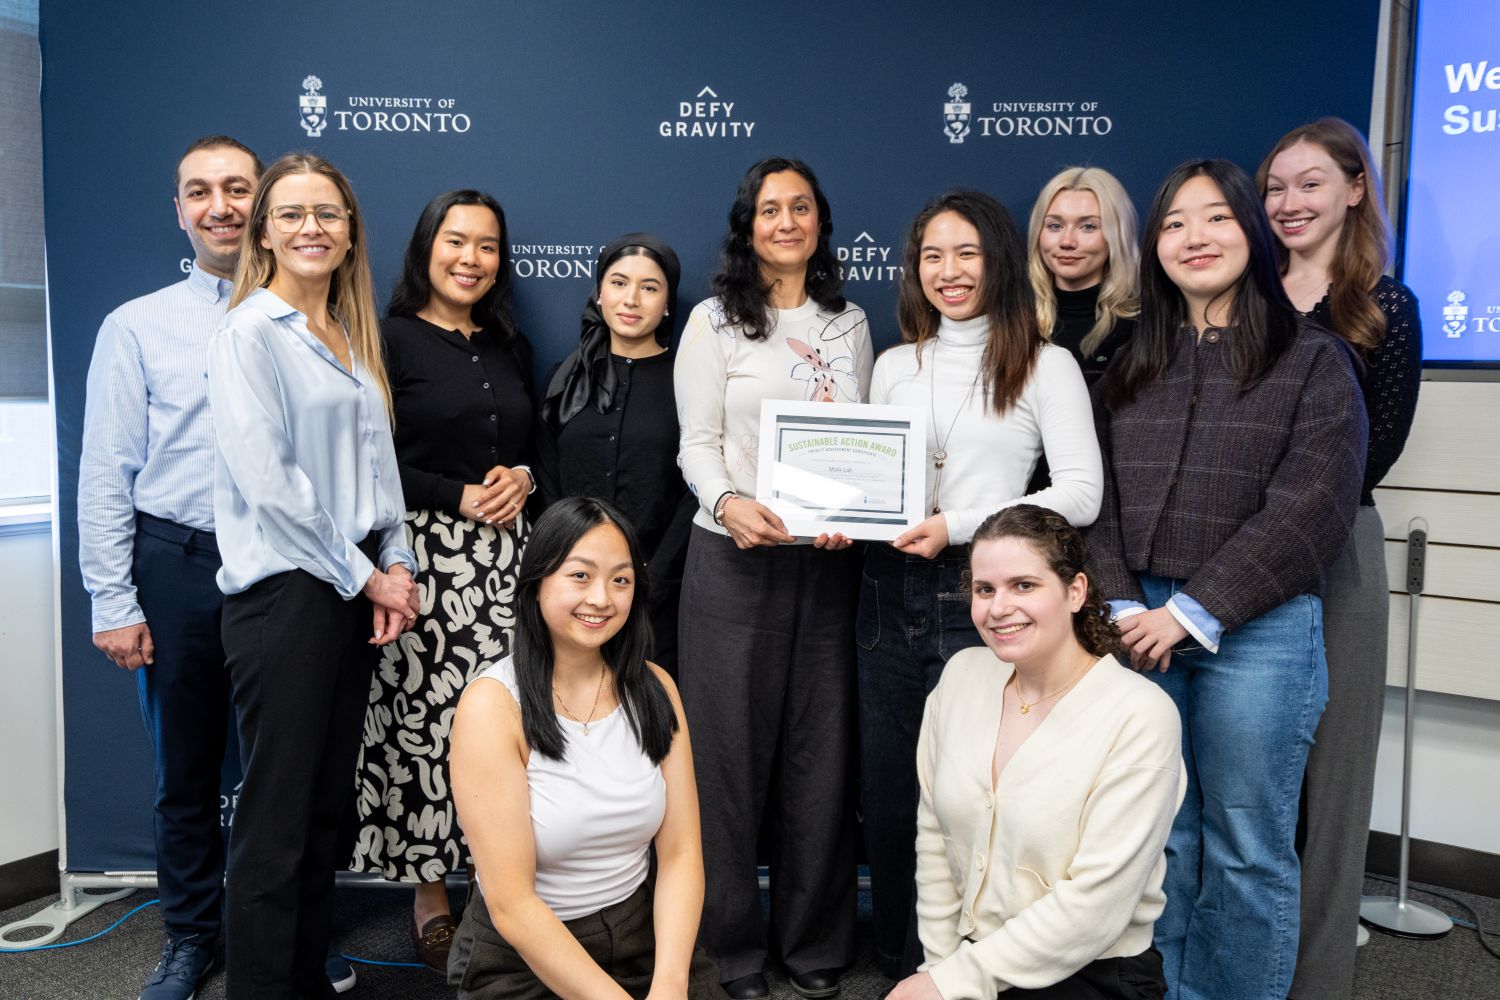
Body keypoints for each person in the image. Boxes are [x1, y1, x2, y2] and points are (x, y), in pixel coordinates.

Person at [1087, 159, 1367, 1000]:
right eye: (1175, 223)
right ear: (1154, 247)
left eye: (1215, 219)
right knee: (1160, 837)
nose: (1194, 238)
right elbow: (1091, 498)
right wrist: (1125, 605)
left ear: (1251, 230)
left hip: (1260, 631)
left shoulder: (1314, 362)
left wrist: (1195, 611)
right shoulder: (1129, 364)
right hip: (1135, 626)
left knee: (1247, 844)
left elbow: (1310, 510)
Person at [858, 189, 1102, 979]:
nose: (949, 271)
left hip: (982, 596)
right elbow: (869, 479)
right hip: (885, 589)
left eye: (966, 253)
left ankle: (982, 972)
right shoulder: (896, 364)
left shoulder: (1044, 361)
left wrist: (957, 525)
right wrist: (844, 515)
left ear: (998, 260)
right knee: (895, 797)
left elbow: (1079, 492)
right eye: (932, 255)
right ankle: (904, 969)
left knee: (980, 797)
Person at [208, 152, 419, 999]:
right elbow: (274, 487)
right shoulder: (248, 334)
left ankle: (298, 982)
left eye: (327, 214)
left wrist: (397, 556)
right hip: (287, 598)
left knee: (320, 814)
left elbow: (379, 469)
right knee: (274, 826)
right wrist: (369, 578)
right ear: (263, 231)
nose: (311, 229)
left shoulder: (349, 332)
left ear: (351, 231)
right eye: (291, 214)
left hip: (345, 589)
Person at [674, 156, 873, 1000]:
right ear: (746, 226)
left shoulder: (851, 322)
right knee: (725, 764)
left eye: (800, 208)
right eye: (768, 210)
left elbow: (864, 444)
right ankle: (734, 954)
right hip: (734, 558)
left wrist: (853, 512)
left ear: (820, 222)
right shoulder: (715, 322)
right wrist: (728, 504)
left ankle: (816, 948)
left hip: (825, 568)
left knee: (819, 758)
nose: (785, 222)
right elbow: (696, 443)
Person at [77, 134, 260, 1000]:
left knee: (281, 772)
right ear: (179, 211)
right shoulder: (137, 324)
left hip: (287, 572)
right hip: (176, 564)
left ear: (266, 201)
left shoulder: (324, 317)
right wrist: (112, 597)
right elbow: (105, 470)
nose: (220, 204)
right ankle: (191, 937)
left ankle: (275, 938)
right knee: (185, 773)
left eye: (237, 187)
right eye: (200, 191)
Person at [888, 504, 1183, 1000]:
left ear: (1075, 591)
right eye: (985, 589)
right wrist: (939, 968)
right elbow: (935, 837)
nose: (999, 608)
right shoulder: (962, 676)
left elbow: (1096, 906)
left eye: (1023, 585)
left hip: (1090, 973)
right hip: (969, 957)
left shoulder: (1141, 715)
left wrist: (951, 984)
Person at [349, 189, 536, 972]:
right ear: (426, 247)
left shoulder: (508, 344)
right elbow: (364, 459)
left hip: (511, 564)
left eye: (487, 245)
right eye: (456, 241)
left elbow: (538, 440)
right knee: (426, 730)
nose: (471, 258)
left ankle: (502, 891)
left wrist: (525, 476)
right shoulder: (385, 340)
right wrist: (453, 494)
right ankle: (429, 895)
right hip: (421, 563)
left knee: (508, 728)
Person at [1258, 118, 1423, 1000]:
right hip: (1237, 553)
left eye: (1310, 183)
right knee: (1248, 778)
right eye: (1277, 186)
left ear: (1356, 189)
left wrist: (1284, 519)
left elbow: (1377, 448)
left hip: (1338, 554)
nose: (1289, 202)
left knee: (1334, 776)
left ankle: (1317, 980)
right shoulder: (1241, 295)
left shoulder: (1386, 306)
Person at [446, 497, 727, 999]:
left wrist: (670, 984)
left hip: (641, 937)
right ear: (536, 585)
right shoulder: (492, 705)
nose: (601, 598)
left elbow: (682, 854)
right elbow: (512, 903)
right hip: (524, 954)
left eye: (620, 579)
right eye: (580, 576)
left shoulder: (655, 688)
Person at [537, 233, 695, 675]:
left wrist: (651, 576)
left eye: (649, 287)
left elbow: (694, 488)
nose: (632, 299)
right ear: (600, 293)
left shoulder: (688, 381)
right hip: (570, 587)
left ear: (667, 304)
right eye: (619, 283)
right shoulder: (565, 377)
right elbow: (548, 476)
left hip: (658, 592)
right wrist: (568, 564)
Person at [1026, 166, 1139, 384]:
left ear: (1116, 236)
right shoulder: (1014, 321)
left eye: (1088, 226)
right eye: (1055, 225)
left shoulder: (1144, 328)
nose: (1067, 241)